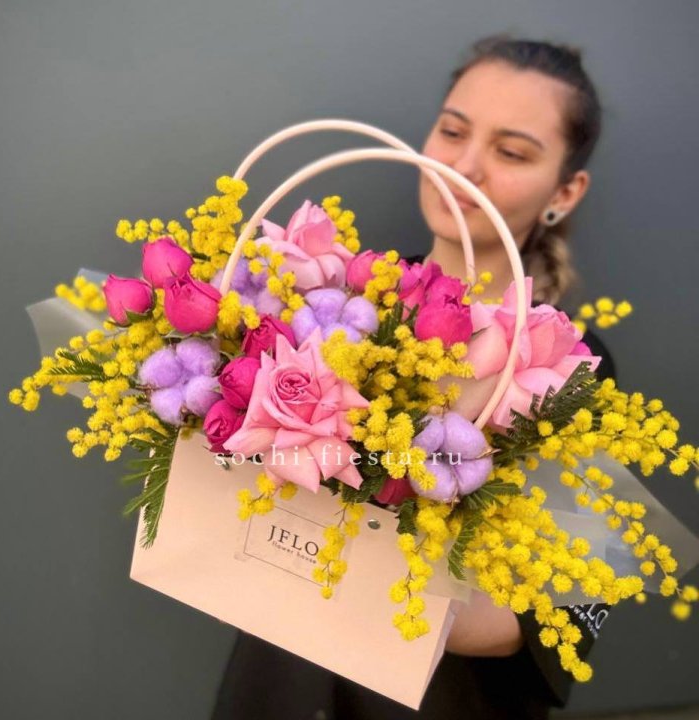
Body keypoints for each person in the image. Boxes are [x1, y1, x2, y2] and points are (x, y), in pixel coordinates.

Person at [212, 35, 615, 720]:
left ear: (565, 190)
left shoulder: (569, 366)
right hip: (278, 689)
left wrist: (358, 561)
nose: (464, 166)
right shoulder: (331, 300)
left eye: (511, 152)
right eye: (452, 132)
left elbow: (542, 620)